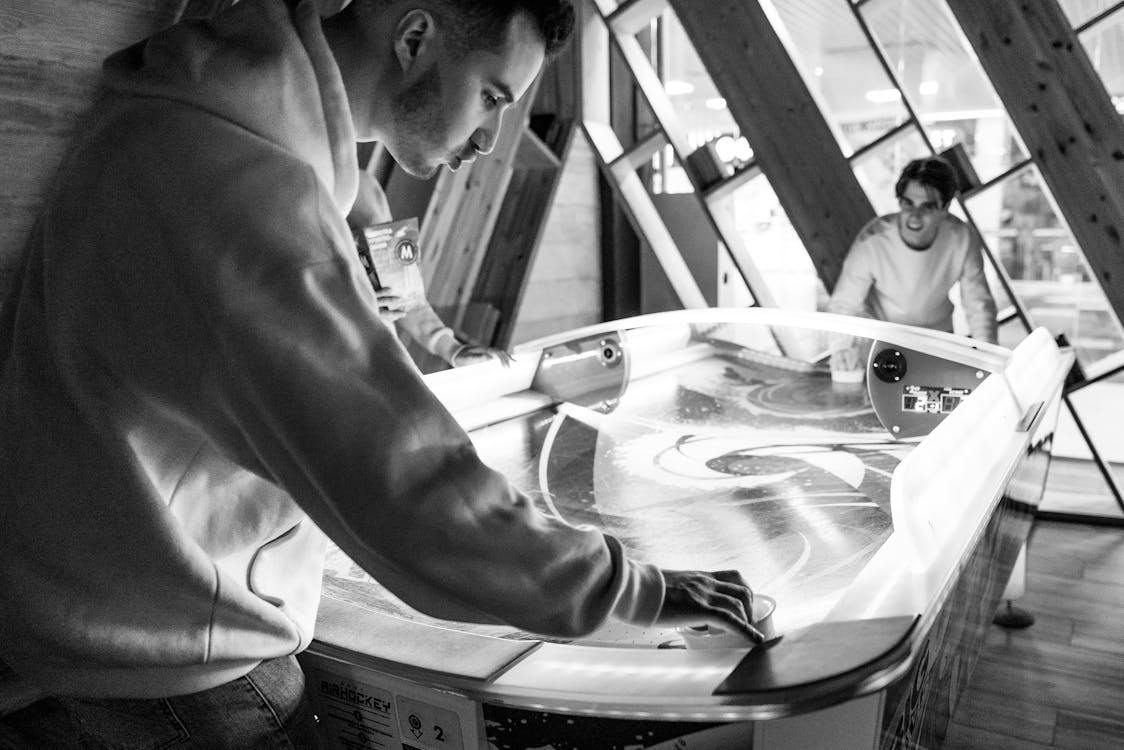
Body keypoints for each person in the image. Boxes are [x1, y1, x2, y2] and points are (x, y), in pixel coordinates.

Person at [0, 0, 763, 746]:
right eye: (492, 96)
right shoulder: (244, 189)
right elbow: (401, 477)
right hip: (170, 676)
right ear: (415, 37)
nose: (491, 139)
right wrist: (634, 588)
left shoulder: (192, 115)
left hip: (83, 633)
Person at [827, 156, 999, 373]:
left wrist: (988, 355)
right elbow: (844, 304)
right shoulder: (873, 241)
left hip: (937, 342)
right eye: (908, 204)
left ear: (945, 207)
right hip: (882, 342)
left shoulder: (962, 238)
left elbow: (979, 306)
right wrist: (841, 347)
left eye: (927, 207)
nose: (914, 217)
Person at [349, 169, 511, 369]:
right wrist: (353, 306)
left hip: (375, 361)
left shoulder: (360, 187)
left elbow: (407, 301)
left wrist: (452, 350)